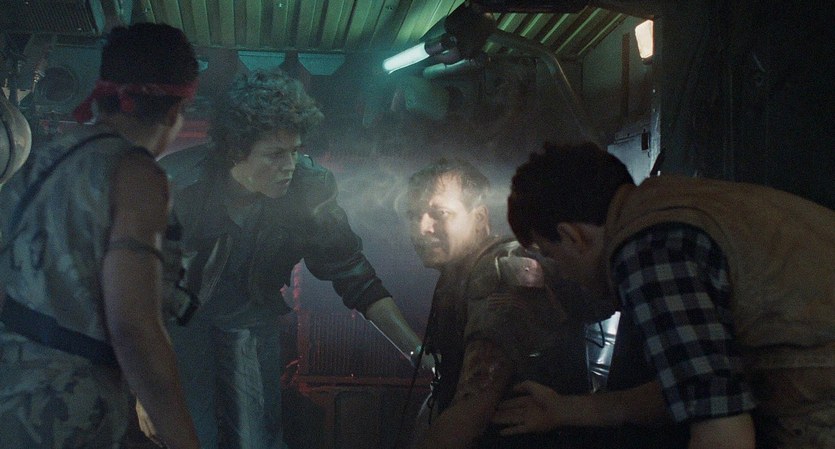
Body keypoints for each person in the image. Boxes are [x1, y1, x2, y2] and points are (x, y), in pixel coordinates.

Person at [155, 67, 429, 449]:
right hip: (178, 328)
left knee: (255, 441)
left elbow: (354, 274)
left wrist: (416, 351)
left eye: (295, 150)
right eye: (275, 154)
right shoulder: (176, 186)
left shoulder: (308, 187)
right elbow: (131, 290)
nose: (289, 165)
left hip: (251, 326)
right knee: (188, 436)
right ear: (235, 151)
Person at [500, 141, 835, 449]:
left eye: (551, 254)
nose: (563, 273)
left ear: (572, 236)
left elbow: (723, 435)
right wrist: (566, 410)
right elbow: (699, 387)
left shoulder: (646, 250)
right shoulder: (672, 206)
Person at [0, 23, 200, 449]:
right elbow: (134, 327)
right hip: (63, 417)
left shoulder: (43, 160)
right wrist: (183, 438)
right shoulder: (137, 174)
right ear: (175, 110)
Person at [406, 158, 610, 449]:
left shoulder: (498, 272)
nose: (422, 227)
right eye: (413, 215)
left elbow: (470, 414)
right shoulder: (460, 274)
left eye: (440, 214)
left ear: (479, 219)